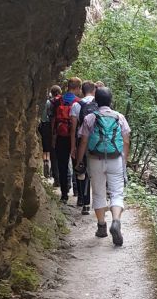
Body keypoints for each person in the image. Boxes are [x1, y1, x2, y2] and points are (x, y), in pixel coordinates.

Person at [76, 87, 131, 246]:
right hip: (116, 159)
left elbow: (84, 141)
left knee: (99, 193)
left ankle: (101, 227)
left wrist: (79, 160)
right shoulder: (119, 117)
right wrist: (124, 161)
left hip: (95, 159)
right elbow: (126, 141)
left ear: (96, 101)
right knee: (117, 193)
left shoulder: (90, 118)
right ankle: (116, 221)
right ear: (111, 101)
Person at [52, 77, 82, 202]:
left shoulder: (58, 101)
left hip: (61, 136)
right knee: (77, 164)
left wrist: (53, 137)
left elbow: (54, 120)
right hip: (74, 137)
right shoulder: (79, 102)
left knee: (62, 165)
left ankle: (64, 194)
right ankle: (78, 194)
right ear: (77, 88)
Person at [70, 81, 98, 214]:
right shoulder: (99, 103)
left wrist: (73, 147)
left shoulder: (76, 105)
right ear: (94, 90)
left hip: (82, 141)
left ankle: (84, 202)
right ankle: (99, 204)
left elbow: (73, 129)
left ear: (82, 90)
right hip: (98, 142)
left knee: (82, 171)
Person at [38, 85, 60, 178]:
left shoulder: (47, 102)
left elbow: (43, 117)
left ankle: (45, 161)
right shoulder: (60, 102)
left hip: (45, 126)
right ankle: (53, 170)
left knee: (45, 148)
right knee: (53, 149)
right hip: (55, 127)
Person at [47, 85, 62, 187]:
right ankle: (67, 180)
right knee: (65, 157)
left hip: (54, 131)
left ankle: (57, 180)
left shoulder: (50, 103)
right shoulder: (64, 101)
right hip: (65, 131)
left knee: (54, 156)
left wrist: (51, 134)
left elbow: (49, 118)